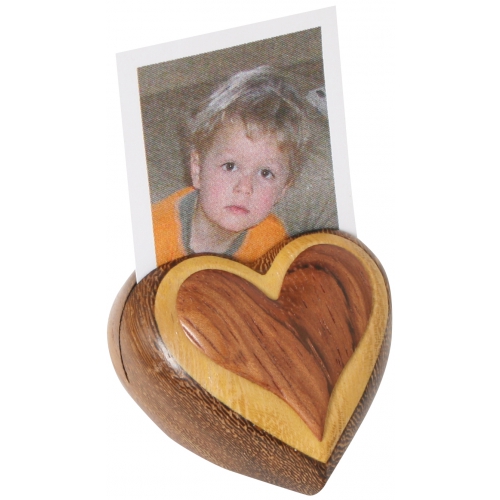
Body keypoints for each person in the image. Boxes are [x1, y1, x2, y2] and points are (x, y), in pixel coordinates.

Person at [152, 66, 310, 266]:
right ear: (197, 170)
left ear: (283, 190)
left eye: (265, 173)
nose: (245, 187)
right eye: (230, 166)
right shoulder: (152, 239)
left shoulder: (272, 241)